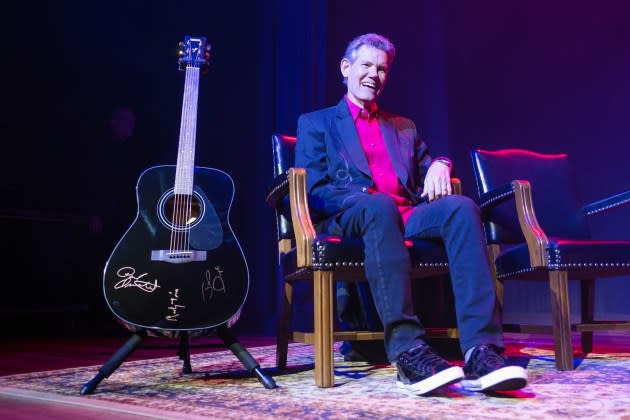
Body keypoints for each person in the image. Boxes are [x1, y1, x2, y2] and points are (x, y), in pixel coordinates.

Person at [295, 33, 527, 396]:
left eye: (382, 69)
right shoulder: (317, 123)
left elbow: (425, 172)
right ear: (346, 68)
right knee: (380, 205)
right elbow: (315, 190)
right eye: (367, 65)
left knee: (462, 208)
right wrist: (365, 197)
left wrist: (441, 163)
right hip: (350, 215)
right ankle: (408, 350)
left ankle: (481, 350)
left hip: (404, 214)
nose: (374, 74)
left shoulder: (402, 126)